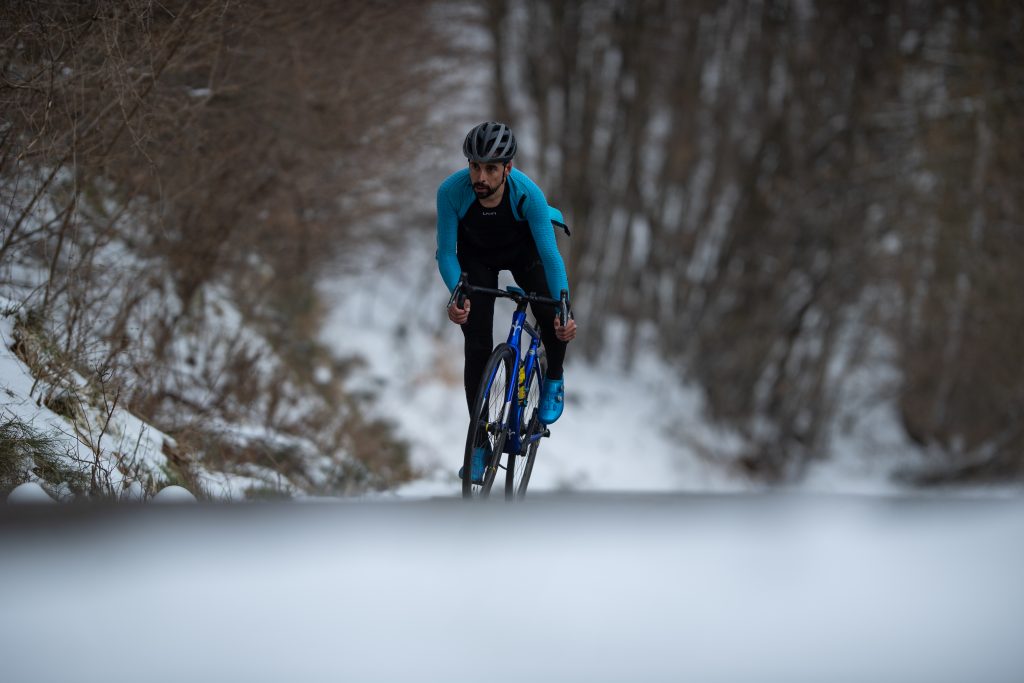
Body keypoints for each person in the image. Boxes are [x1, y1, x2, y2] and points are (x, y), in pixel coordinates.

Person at [436, 121, 577, 483]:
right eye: (474, 166)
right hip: (477, 259)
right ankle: (480, 444)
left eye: (490, 168)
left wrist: (563, 306)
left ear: (507, 169)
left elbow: (550, 255)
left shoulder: (527, 194)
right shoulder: (451, 193)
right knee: (476, 342)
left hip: (523, 253)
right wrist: (458, 294)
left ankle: (554, 378)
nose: (480, 176)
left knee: (551, 317)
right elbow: (446, 254)